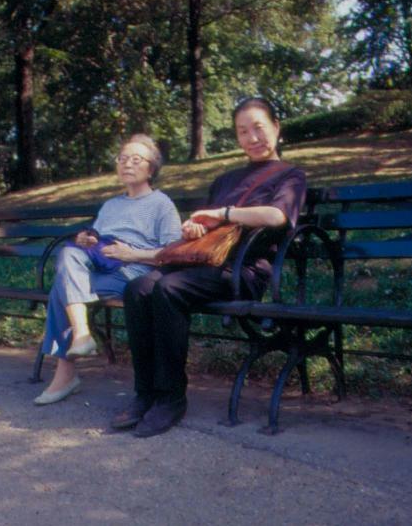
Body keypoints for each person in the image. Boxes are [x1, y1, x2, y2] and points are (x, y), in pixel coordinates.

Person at [115, 97, 307, 437]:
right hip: (206, 264)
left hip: (244, 272)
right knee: (139, 288)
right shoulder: (225, 180)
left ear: (276, 128)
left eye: (259, 128)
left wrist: (224, 214)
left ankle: (171, 399)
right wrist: (196, 227)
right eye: (243, 131)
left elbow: (277, 216)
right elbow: (206, 230)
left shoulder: (290, 176)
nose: (252, 138)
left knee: (167, 288)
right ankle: (145, 394)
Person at [33, 134, 182, 406]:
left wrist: (133, 253)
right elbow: (96, 239)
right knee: (69, 253)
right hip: (100, 266)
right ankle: (81, 335)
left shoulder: (162, 205)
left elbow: (173, 254)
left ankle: (66, 373)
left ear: (151, 168)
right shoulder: (111, 205)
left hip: (132, 274)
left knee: (61, 289)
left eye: (136, 159)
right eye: (122, 159)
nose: (127, 164)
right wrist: (87, 240)